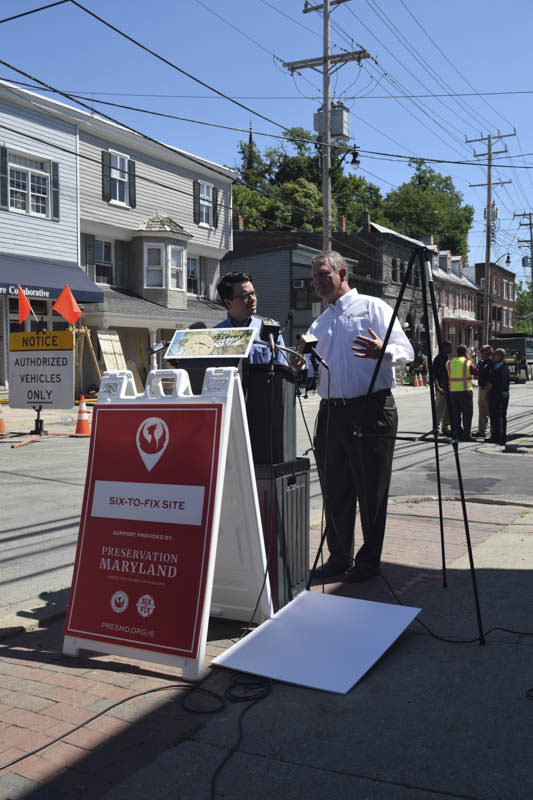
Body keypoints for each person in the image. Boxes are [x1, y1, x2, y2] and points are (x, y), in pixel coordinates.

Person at [308, 250, 414, 583]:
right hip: (331, 412)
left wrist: (384, 351)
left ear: (342, 273)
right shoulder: (319, 322)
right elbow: (315, 370)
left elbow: (407, 352)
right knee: (335, 490)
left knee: (371, 490)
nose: (319, 282)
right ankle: (339, 557)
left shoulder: (373, 307)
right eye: (314, 277)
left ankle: (368, 562)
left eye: (325, 274)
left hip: (371, 408)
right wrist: (302, 366)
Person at [215, 271, 286, 363]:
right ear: (228, 303)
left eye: (253, 293)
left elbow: (282, 371)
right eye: (245, 296)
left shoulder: (270, 331)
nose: (253, 299)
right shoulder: (215, 336)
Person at [446, 344, 478, 440]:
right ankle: (466, 435)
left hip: (453, 392)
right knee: (467, 414)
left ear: (457, 352)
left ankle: (458, 433)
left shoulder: (449, 363)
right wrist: (470, 360)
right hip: (465, 391)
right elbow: (476, 372)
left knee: (456, 414)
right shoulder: (467, 362)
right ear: (466, 353)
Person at [485, 348, 510, 445]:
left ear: (499, 356)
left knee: (495, 416)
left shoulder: (497, 368)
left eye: (494, 354)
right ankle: (502, 437)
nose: (493, 355)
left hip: (496, 395)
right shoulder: (504, 366)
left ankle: (496, 437)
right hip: (504, 394)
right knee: (502, 416)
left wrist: (486, 393)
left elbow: (490, 383)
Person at [432, 340, 452, 435]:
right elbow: (434, 375)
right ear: (444, 347)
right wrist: (438, 387)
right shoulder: (438, 359)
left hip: (449, 387)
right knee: (439, 408)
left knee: (448, 409)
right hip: (441, 388)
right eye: (449, 346)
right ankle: (437, 428)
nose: (450, 348)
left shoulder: (448, 357)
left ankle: (445, 427)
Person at [475, 344, 493, 438]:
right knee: (482, 412)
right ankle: (481, 431)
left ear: (488, 352)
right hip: (481, 388)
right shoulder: (481, 363)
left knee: (490, 412)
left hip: (487, 390)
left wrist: (486, 392)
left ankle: (493, 433)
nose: (480, 352)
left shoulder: (491, 363)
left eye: (482, 350)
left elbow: (491, 379)